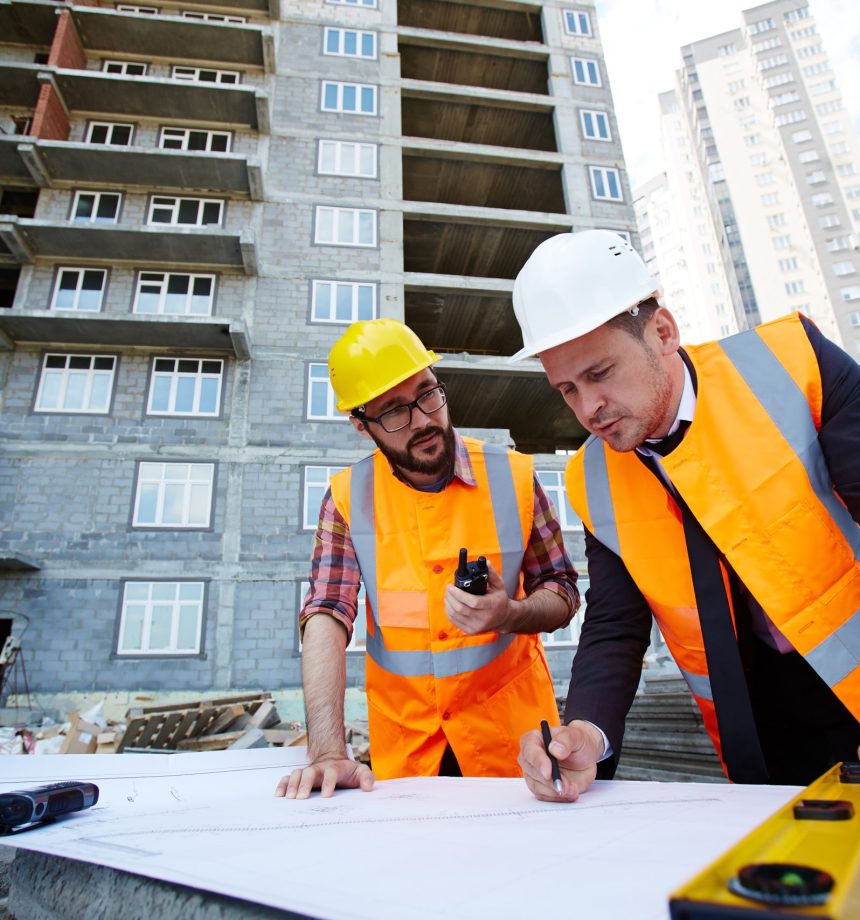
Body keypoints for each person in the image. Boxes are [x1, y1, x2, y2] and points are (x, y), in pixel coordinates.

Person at [511, 229, 860, 800]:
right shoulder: (592, 478)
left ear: (663, 332)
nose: (588, 408)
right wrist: (586, 732)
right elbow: (615, 625)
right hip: (763, 730)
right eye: (566, 389)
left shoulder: (794, 362)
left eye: (600, 374)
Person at [276, 318, 579, 799]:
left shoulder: (515, 478)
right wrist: (328, 750)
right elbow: (326, 614)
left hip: (517, 754)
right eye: (395, 412)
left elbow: (562, 590)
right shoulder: (347, 498)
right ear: (361, 424)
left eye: (427, 394)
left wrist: (511, 613)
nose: (423, 420)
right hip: (409, 757)